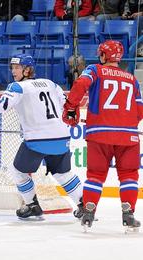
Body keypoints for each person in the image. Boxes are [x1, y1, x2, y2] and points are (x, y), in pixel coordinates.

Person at [0, 54, 84, 220]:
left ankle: (32, 205)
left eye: (17, 67)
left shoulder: (17, 87)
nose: (13, 71)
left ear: (28, 70)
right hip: (62, 137)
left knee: (18, 171)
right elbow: (68, 105)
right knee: (63, 174)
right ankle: (84, 205)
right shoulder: (51, 84)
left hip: (37, 139)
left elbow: (0, 107)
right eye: (12, 67)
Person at [62, 40, 143, 231]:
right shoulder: (132, 79)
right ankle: (128, 213)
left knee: (96, 176)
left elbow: (81, 83)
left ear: (104, 56)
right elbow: (140, 110)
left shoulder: (95, 70)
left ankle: (89, 211)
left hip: (99, 133)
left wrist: (71, 107)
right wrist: (126, 123)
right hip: (128, 135)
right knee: (129, 176)